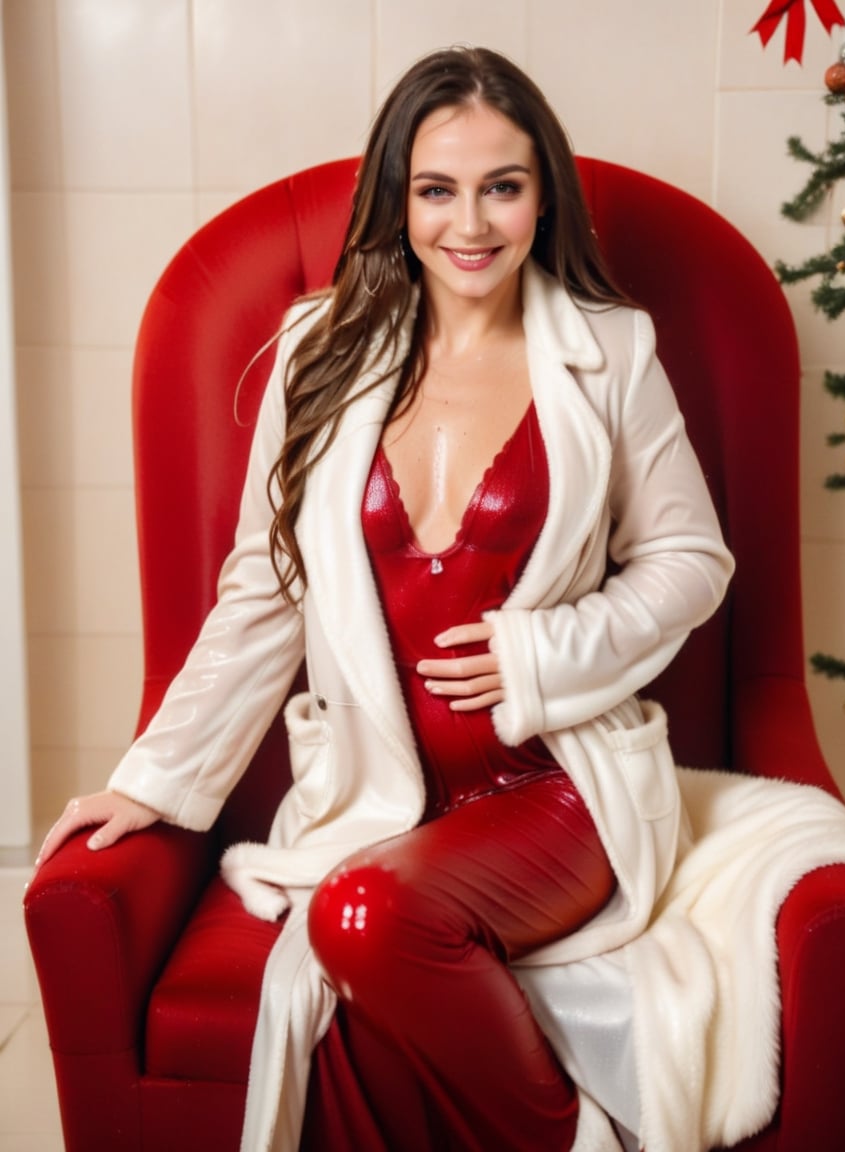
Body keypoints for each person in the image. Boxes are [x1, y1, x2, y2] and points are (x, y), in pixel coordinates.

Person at [36, 45, 735, 1152]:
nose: (473, 223)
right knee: (358, 1005)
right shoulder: (320, 350)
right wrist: (155, 782)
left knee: (356, 924)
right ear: (395, 197)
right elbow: (266, 588)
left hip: (559, 791)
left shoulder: (612, 348)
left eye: (503, 186)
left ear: (542, 195)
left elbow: (693, 560)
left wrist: (548, 651)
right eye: (438, 189)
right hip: (381, 800)